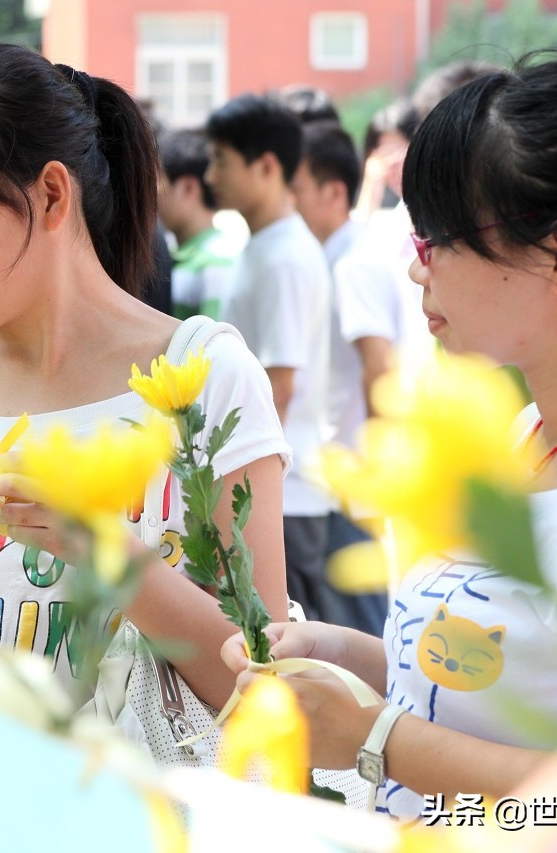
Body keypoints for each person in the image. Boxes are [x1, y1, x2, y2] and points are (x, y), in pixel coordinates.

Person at [223, 55, 557, 819]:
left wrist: (379, 738)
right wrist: (340, 656)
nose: (414, 269)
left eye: (437, 239)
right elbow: (493, 675)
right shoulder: (533, 428)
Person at [0, 44, 290, 708]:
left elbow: (270, 690)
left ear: (50, 194)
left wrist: (105, 552)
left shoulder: (204, 376)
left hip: (153, 809)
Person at [204, 94, 335, 624]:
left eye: (221, 160)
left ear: (266, 166)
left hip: (286, 493)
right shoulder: (264, 246)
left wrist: (244, 496)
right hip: (268, 489)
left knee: (290, 651)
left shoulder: (284, 258)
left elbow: (280, 385)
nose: (211, 174)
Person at [289, 120, 387, 637]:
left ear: (334, 192)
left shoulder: (353, 262)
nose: (289, 201)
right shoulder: (332, 258)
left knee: (361, 626)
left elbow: (380, 366)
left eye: (297, 189)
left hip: (352, 476)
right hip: (336, 475)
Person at [157, 128, 242, 320]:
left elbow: (212, 347)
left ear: (187, 188)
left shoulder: (216, 262)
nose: (152, 196)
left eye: (157, 182)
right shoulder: (177, 255)